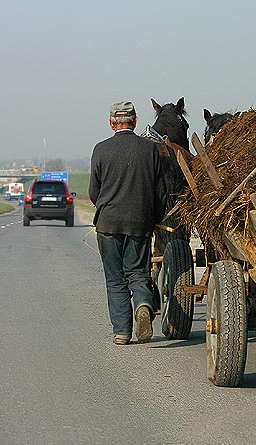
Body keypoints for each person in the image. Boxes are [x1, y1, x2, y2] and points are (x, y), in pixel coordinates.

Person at [89, 101, 167, 345]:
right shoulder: (150, 150)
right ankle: (143, 303)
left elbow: (94, 192)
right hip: (140, 223)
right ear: (134, 121)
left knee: (115, 278)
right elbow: (159, 192)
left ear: (111, 123)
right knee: (137, 272)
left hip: (108, 223)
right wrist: (154, 218)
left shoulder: (100, 150)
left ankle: (122, 332)